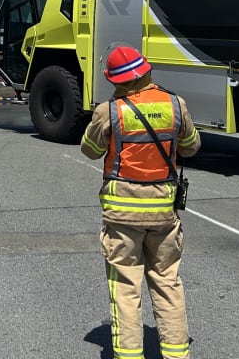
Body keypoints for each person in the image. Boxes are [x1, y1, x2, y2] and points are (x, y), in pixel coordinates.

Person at [81, 45, 200, 359]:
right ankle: (176, 353)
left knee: (125, 287)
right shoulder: (176, 104)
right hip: (163, 212)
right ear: (147, 71)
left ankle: (129, 355)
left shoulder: (110, 111)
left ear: (116, 81)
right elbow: (191, 146)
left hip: (122, 213)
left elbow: (90, 150)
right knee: (167, 282)